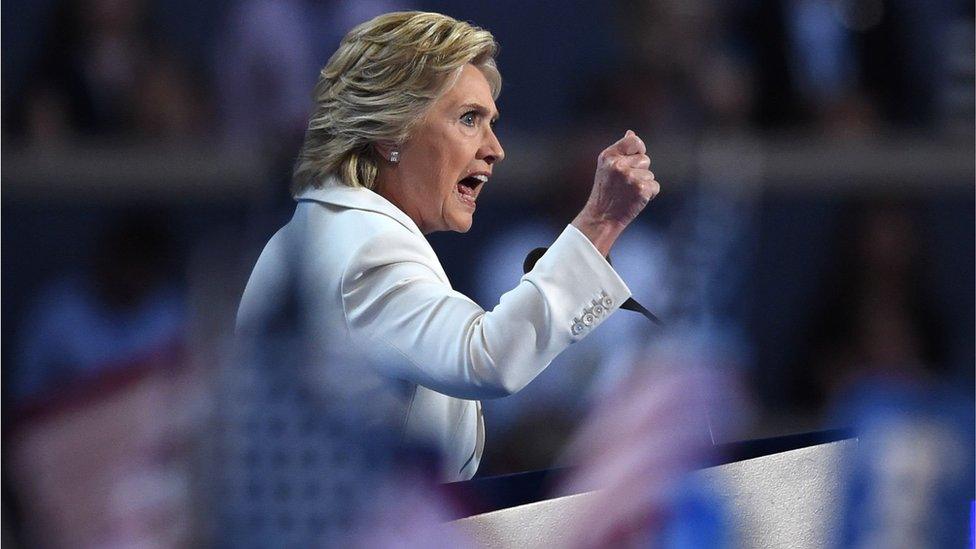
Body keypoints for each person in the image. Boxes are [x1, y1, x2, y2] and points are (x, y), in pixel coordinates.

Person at [236, 11, 659, 482]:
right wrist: (599, 222)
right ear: (389, 132)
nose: (495, 148)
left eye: (491, 121)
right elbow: (486, 357)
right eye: (468, 119)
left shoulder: (324, 229)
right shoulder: (361, 246)